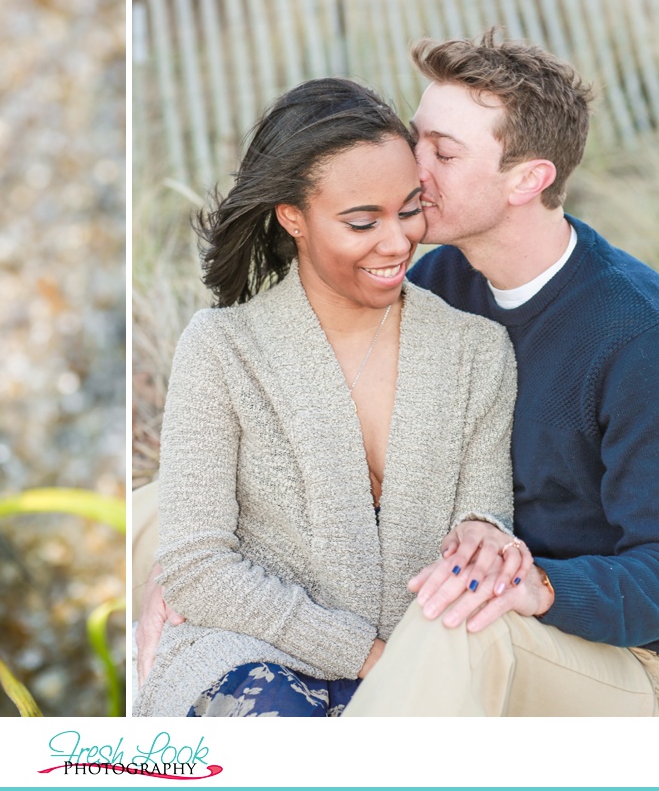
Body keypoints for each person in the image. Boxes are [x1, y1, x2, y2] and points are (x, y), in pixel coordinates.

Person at [336, 30, 659, 716]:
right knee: (166, 511)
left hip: (636, 674)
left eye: (443, 153)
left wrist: (539, 585)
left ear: (528, 179)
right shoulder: (443, 283)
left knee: (461, 622)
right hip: (470, 611)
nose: (411, 167)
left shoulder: (645, 341)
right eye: (415, 138)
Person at [134, 77, 523, 717]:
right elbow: (197, 566)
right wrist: (369, 658)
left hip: (420, 673)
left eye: (408, 209)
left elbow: (480, 523)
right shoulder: (223, 348)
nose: (397, 243)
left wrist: (486, 532)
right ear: (294, 218)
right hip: (247, 655)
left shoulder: (478, 351)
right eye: (361, 221)